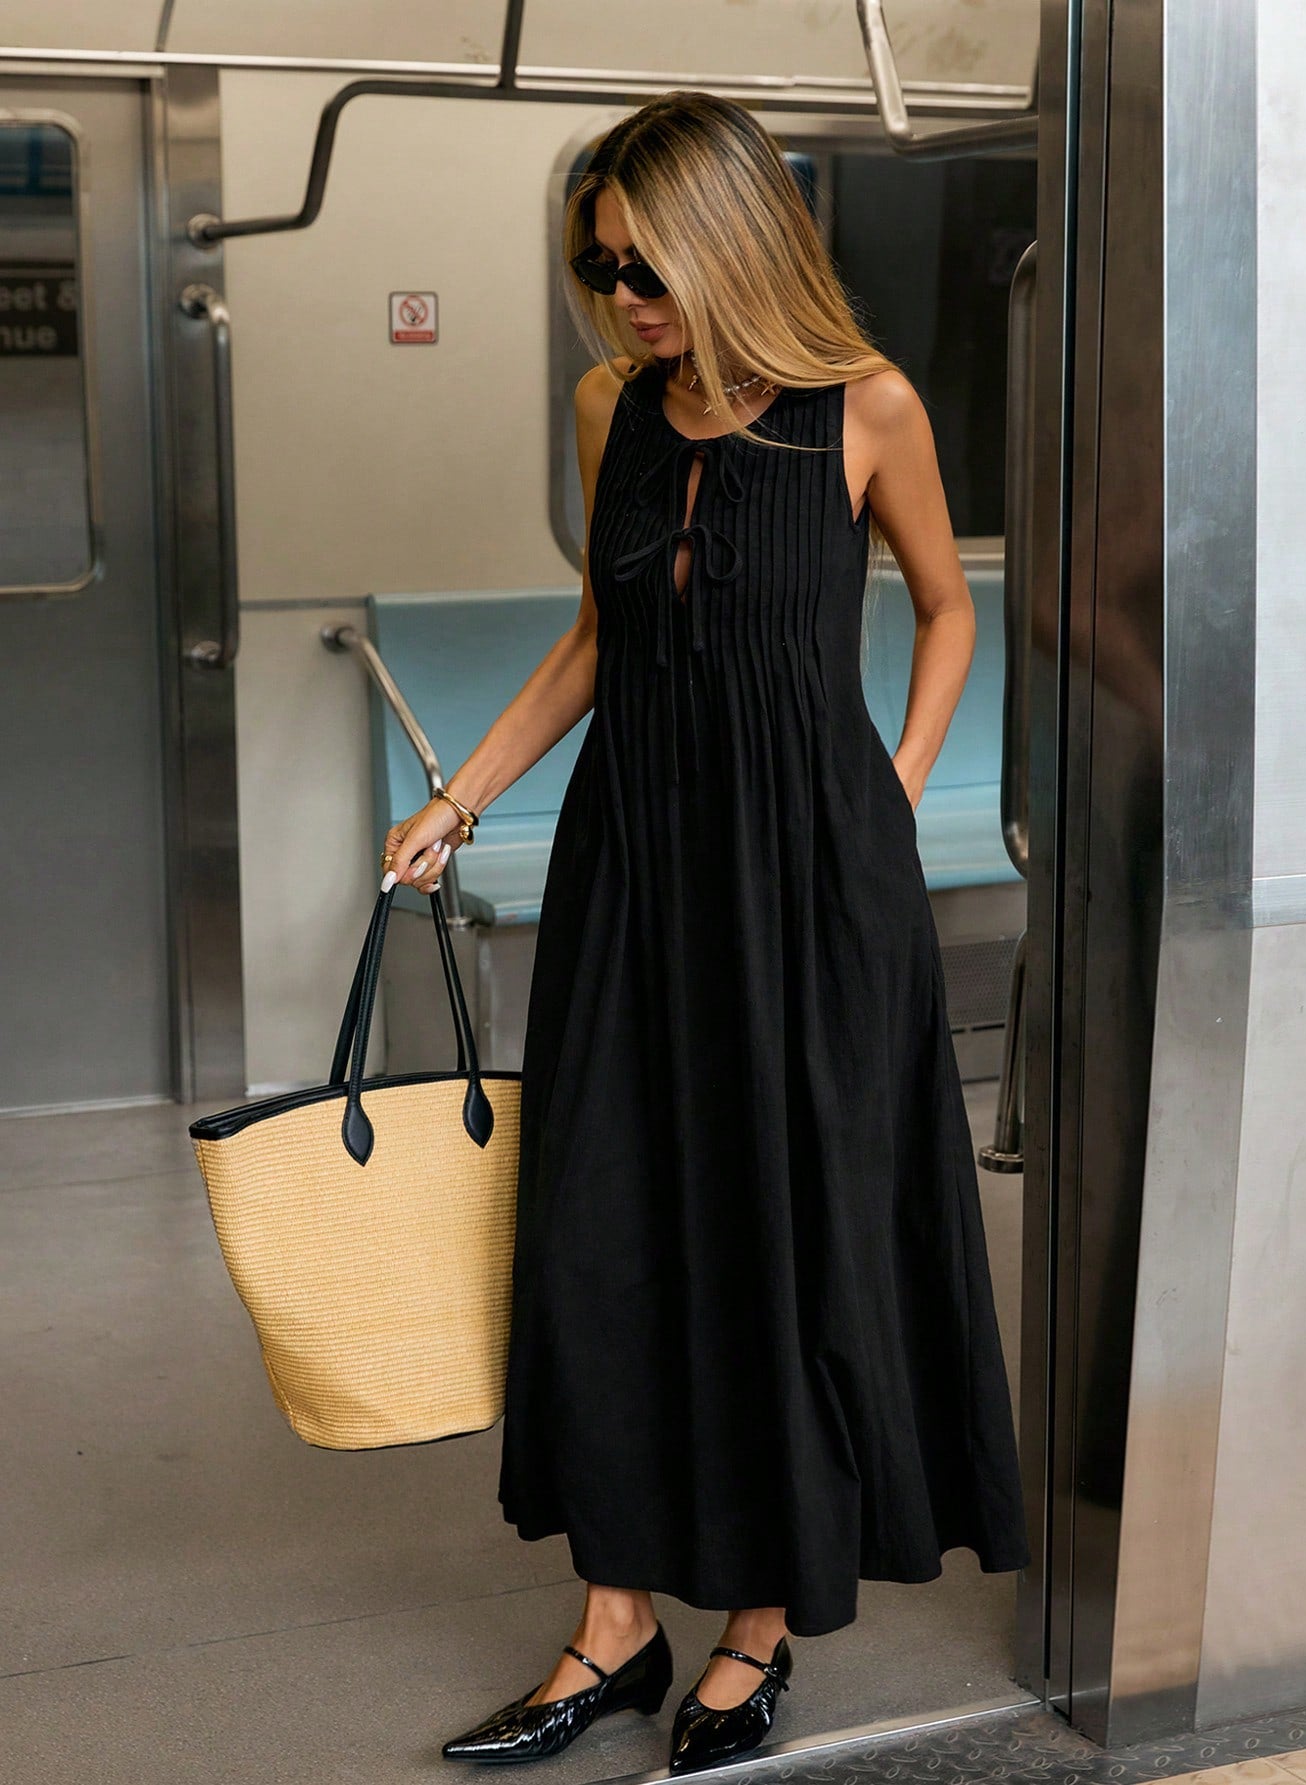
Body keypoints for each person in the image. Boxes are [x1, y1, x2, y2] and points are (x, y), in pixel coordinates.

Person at [380, 89, 1030, 1775]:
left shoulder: (865, 406)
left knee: (778, 1234)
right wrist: (463, 799)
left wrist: (891, 789)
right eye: (599, 268)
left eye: (646, 269)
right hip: (636, 868)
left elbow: (946, 609)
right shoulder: (614, 406)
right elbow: (601, 635)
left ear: (730, 246)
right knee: (597, 1226)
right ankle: (613, 1624)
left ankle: (752, 1626)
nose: (620, 299)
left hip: (810, 881)